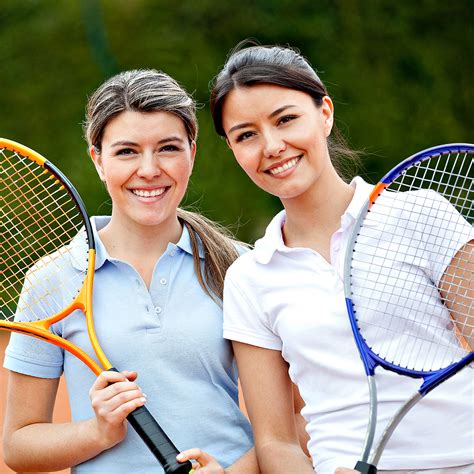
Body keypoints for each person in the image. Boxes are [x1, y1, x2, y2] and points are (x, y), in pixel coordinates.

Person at [209, 43, 474, 474]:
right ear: (234, 151)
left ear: (325, 113)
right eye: (246, 135)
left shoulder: (421, 213)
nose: (272, 145)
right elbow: (277, 442)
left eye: (286, 119)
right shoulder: (249, 278)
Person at [2, 69, 258, 473]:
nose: (149, 169)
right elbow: (18, 446)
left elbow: (292, 421)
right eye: (126, 151)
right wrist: (97, 432)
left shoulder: (242, 268)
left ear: (193, 151)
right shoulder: (53, 280)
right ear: (98, 159)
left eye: (168, 148)